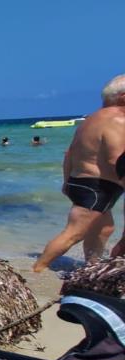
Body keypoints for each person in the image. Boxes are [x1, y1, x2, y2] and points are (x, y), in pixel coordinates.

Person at [34, 75, 125, 272]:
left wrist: (67, 182)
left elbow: (69, 153)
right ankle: (37, 270)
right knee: (74, 233)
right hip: (96, 187)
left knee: (104, 228)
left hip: (82, 182)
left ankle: (91, 266)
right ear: (123, 97)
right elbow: (115, 159)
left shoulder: (91, 119)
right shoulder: (118, 120)